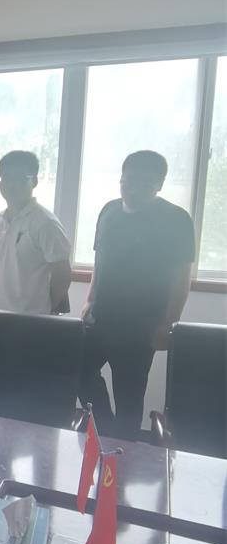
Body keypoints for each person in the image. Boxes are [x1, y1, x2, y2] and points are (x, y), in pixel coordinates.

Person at [78, 149, 195, 440]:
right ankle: (106, 430)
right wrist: (89, 299)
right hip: (99, 318)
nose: (133, 190)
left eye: (144, 183)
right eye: (127, 182)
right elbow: (100, 261)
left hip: (141, 327)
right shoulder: (109, 211)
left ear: (159, 184)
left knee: (129, 396)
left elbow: (182, 278)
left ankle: (124, 452)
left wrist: (167, 324)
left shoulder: (176, 219)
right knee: (77, 371)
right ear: (121, 179)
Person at [0, 151, 72, 323]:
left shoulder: (46, 223)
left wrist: (48, 313)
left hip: (33, 320)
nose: (12, 184)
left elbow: (62, 273)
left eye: (20, 178)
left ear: (34, 181)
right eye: (6, 177)